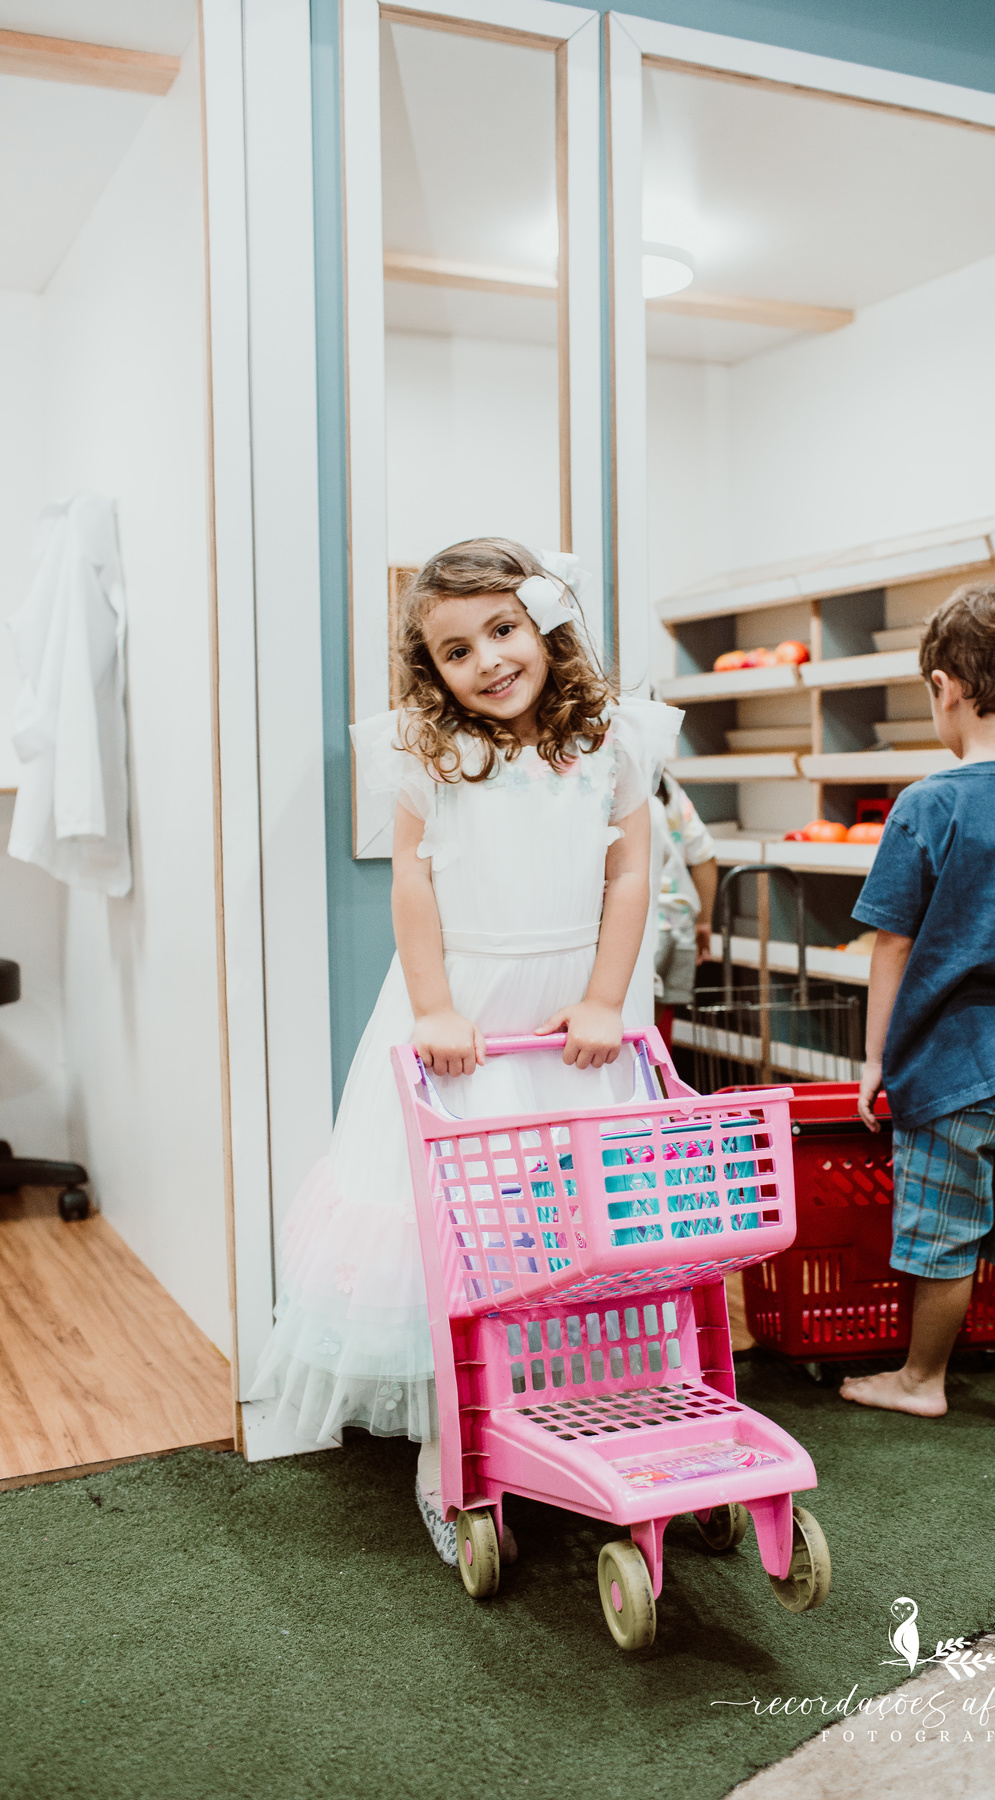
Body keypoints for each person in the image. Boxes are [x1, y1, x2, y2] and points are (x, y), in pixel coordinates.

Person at [249, 537, 680, 1559]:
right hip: (467, 1026)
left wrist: (606, 999)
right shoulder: (428, 753)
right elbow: (415, 883)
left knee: (581, 1234)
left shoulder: (613, 739)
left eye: (502, 630)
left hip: (577, 1021)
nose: (487, 660)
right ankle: (452, 1459)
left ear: (544, 626)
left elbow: (631, 880)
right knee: (463, 1243)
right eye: (456, 650)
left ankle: (582, 1421)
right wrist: (436, 1009)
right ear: (431, 672)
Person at [840, 582, 995, 1431]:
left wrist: (876, 1060)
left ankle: (923, 1377)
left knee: (944, 1236)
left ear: (944, 687)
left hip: (950, 1075)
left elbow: (892, 946)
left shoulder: (928, 805)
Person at [651, 769, 718, 1047]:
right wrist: (703, 921)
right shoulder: (666, 783)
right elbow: (704, 856)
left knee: (629, 1045)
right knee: (657, 1043)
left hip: (639, 931)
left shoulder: (611, 774)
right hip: (678, 926)